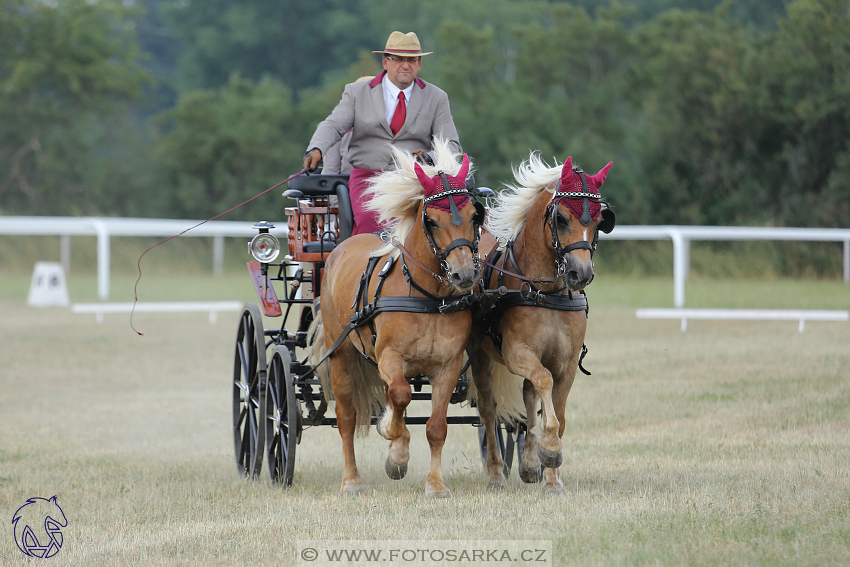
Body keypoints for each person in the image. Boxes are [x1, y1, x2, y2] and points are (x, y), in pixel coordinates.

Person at [303, 31, 462, 235]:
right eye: (399, 59)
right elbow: (333, 125)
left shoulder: (437, 97)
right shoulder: (356, 92)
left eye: (412, 60)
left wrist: (428, 157)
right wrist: (316, 148)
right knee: (372, 220)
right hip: (369, 178)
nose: (406, 65)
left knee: (428, 227)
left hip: (412, 181)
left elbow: (452, 147)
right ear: (385, 62)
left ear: (419, 64)